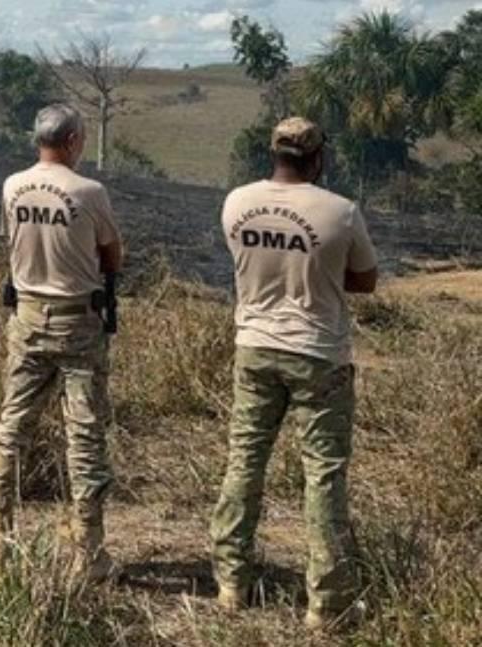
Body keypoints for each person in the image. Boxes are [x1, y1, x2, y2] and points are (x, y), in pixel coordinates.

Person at [210, 117, 378, 631]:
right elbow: (365, 280)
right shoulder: (340, 212)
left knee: (244, 461)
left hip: (254, 348)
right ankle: (326, 602)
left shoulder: (237, 203)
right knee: (323, 474)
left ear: (273, 152)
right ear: (318, 157)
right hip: (319, 354)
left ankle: (231, 583)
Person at [0, 104, 124, 580]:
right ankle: (89, 554)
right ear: (72, 142)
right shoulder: (89, 192)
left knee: (11, 427)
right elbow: (112, 255)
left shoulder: (12, 186)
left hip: (26, 318)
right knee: (84, 437)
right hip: (77, 324)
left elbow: (10, 240)